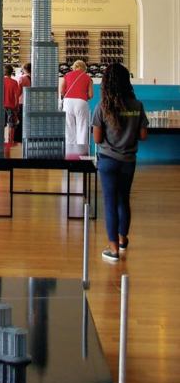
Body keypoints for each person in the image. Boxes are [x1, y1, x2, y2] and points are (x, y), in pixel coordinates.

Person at [91, 63, 148, 264]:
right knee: (124, 199)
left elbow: (97, 139)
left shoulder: (103, 106)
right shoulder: (137, 106)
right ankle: (123, 240)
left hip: (108, 161)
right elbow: (143, 135)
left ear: (106, 83)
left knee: (110, 202)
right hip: (128, 161)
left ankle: (113, 249)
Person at [61, 59, 93, 156]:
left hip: (68, 102)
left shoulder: (67, 75)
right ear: (84, 68)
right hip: (81, 102)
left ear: (74, 67)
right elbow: (91, 95)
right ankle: (82, 153)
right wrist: (83, 97)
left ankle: (70, 153)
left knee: (69, 127)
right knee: (82, 127)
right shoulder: (88, 77)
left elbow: (61, 91)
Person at [3, 64, 21, 144]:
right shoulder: (14, 82)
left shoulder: (0, 81)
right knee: (11, 125)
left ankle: (1, 141)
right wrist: (17, 108)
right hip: (11, 107)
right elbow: (16, 96)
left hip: (1, 106)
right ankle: (10, 142)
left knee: (1, 125)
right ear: (11, 72)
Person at [16, 63, 31, 144]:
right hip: (31, 103)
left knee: (20, 121)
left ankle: (18, 139)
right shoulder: (34, 78)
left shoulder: (22, 78)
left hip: (22, 102)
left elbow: (18, 92)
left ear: (24, 69)